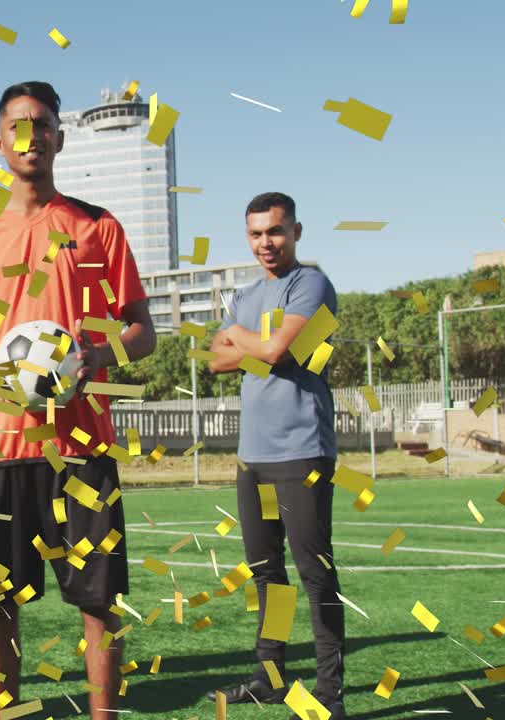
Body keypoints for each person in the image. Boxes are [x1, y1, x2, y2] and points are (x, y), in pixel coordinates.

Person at [0, 81, 156, 720]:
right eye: (19, 126)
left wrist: (96, 355)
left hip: (81, 448)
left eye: (44, 124)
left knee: (100, 605)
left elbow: (144, 329)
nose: (32, 137)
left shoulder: (99, 227)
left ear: (60, 136)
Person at [206, 192, 344, 719]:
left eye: (276, 231)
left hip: (302, 453)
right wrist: (253, 346)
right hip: (253, 457)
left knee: (316, 574)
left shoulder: (311, 284)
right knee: (268, 574)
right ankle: (271, 678)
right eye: (257, 233)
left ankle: (330, 696)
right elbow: (217, 362)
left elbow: (273, 352)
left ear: (297, 231)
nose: (267, 242)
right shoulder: (246, 294)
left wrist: (243, 340)